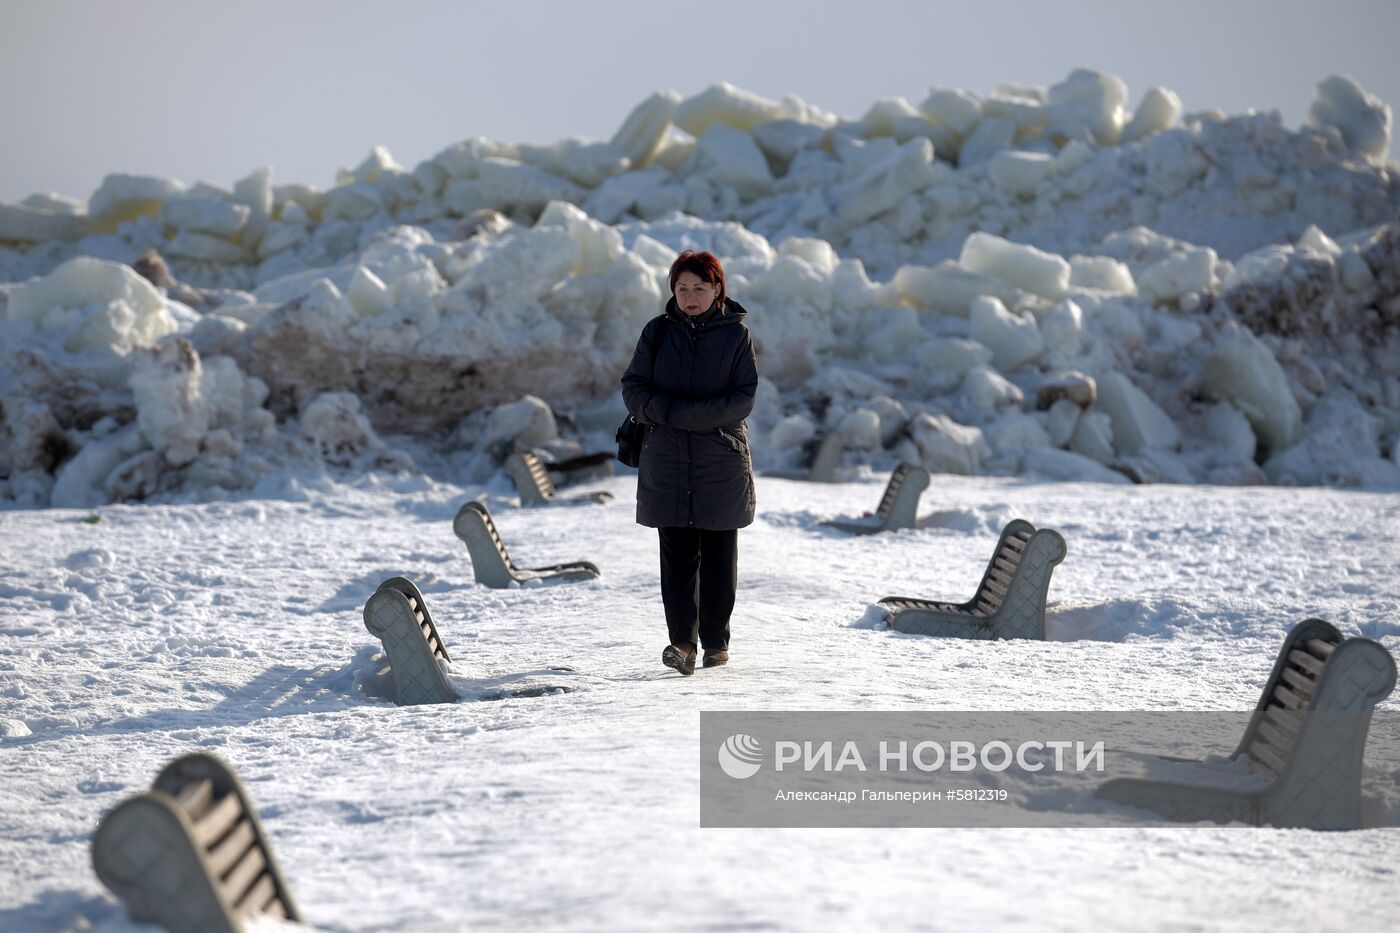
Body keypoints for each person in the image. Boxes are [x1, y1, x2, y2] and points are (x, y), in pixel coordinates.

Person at [621, 250, 758, 676]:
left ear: (717, 289)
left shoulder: (736, 336)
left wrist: (682, 415)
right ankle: (682, 644)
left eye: (699, 288)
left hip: (720, 460)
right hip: (667, 460)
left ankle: (717, 643)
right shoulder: (657, 332)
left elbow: (743, 397)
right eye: (682, 289)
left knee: (719, 558)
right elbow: (633, 388)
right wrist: (672, 413)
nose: (690, 297)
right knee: (677, 559)